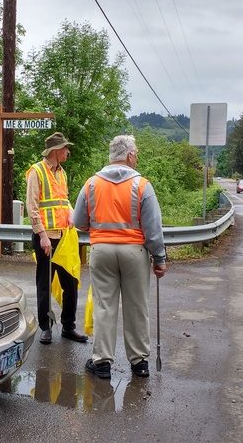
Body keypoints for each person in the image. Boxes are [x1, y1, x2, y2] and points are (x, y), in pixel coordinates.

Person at [73, 135, 167, 379]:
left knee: (104, 306)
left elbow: (79, 222)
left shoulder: (91, 184)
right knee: (137, 306)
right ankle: (139, 363)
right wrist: (159, 258)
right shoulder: (142, 185)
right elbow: (153, 228)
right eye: (135, 154)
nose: (136, 158)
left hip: (101, 250)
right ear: (128, 156)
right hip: (134, 252)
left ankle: (102, 362)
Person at [25, 132, 88, 345]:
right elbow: (32, 207)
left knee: (69, 282)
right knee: (44, 284)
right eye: (65, 148)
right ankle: (46, 327)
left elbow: (63, 200)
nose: (68, 152)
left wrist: (71, 212)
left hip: (64, 237)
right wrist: (41, 235)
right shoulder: (37, 171)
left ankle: (69, 326)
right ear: (55, 151)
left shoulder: (62, 173)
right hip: (46, 238)